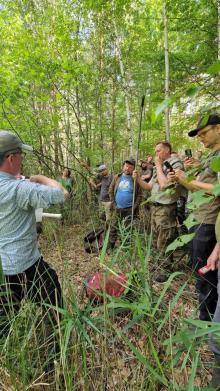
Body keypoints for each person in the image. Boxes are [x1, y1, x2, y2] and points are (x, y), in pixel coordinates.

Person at [0, 131, 69, 336]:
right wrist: (39, 178)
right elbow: (61, 194)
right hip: (25, 266)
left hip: (2, 268)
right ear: (11, 158)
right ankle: (57, 352)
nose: (22, 159)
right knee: (54, 304)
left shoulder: (16, 186)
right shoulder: (20, 188)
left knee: (4, 320)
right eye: (21, 155)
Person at [169, 114, 220, 321]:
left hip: (207, 222)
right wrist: (183, 178)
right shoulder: (211, 157)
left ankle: (207, 321)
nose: (200, 138)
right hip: (197, 218)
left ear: (218, 129)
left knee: (205, 274)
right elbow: (200, 188)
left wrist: (188, 179)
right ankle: (207, 315)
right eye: (198, 135)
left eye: (204, 133)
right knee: (200, 271)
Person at [133, 142, 184, 262]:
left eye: (158, 151)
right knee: (156, 238)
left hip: (166, 208)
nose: (156, 153)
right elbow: (149, 187)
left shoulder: (175, 163)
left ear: (167, 151)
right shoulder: (158, 167)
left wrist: (159, 166)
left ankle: (166, 268)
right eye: (155, 151)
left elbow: (164, 184)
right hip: (155, 207)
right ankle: (158, 265)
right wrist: (138, 179)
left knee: (165, 239)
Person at [108, 159, 142, 248]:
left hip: (129, 210)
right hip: (117, 208)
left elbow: (139, 195)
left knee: (127, 229)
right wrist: (114, 204)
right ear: (123, 166)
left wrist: (134, 207)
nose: (128, 168)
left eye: (130, 167)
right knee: (113, 228)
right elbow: (110, 191)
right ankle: (111, 247)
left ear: (134, 169)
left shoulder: (136, 179)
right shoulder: (117, 177)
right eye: (126, 166)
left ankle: (125, 247)